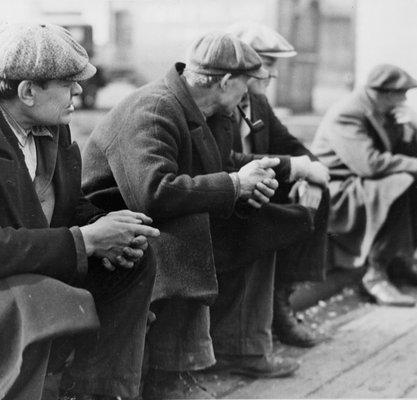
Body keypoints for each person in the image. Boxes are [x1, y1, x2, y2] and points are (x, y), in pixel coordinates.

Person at [82, 31, 303, 399]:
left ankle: (242, 347)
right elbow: (152, 193)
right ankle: (170, 376)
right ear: (225, 82)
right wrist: (233, 185)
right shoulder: (153, 110)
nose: (247, 95)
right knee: (187, 230)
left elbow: (216, 165)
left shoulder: (207, 109)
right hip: (112, 222)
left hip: (151, 216)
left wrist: (250, 184)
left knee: (263, 223)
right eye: (245, 84)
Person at [0, 23, 160, 400]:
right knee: (44, 301)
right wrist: (85, 241)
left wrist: (105, 227)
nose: (79, 89)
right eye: (68, 82)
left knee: (134, 259)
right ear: (27, 91)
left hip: (21, 260)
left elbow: (66, 205)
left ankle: (98, 391)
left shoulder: (47, 118)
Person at [208, 22, 330, 351]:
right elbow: (224, 159)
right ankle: (258, 327)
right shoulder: (219, 101)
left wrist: (311, 168)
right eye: (267, 64)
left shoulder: (257, 102)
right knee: (281, 213)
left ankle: (282, 298)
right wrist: (295, 167)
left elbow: (286, 141)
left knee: (317, 194)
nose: (271, 74)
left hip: (252, 190)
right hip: (224, 198)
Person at [311, 63, 417, 307]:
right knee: (400, 182)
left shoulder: (383, 111)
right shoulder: (348, 112)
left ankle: (399, 260)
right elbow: (369, 164)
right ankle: (375, 274)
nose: (404, 100)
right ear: (382, 92)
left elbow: (412, 157)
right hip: (337, 188)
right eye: (401, 94)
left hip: (364, 183)